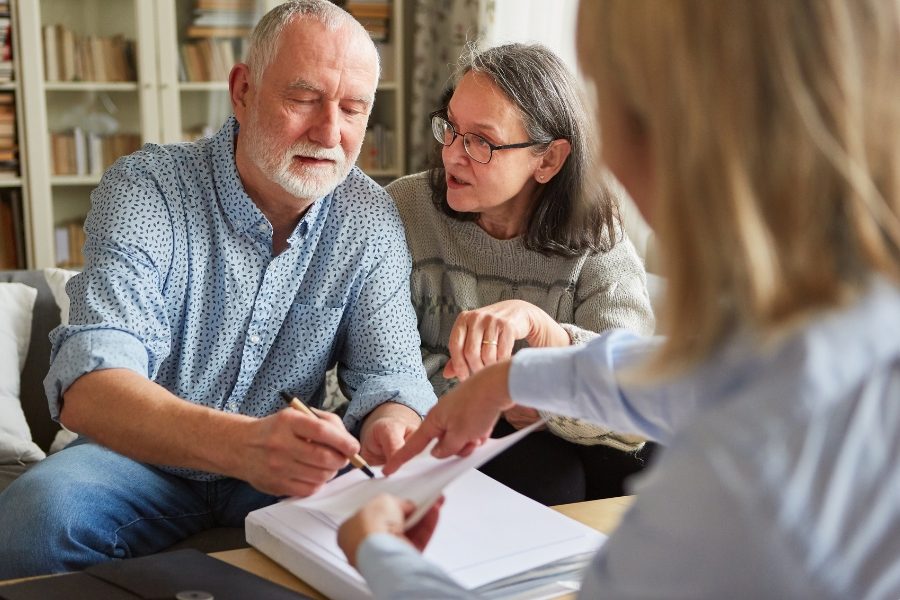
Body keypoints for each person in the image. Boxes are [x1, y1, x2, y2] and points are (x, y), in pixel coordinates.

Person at [338, 0, 900, 597]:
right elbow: (687, 371)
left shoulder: (740, 474)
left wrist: (379, 555)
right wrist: (511, 380)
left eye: (615, 105)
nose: (606, 156)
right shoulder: (840, 323)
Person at [0, 0, 436, 578]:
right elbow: (91, 385)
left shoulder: (369, 217)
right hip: (137, 459)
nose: (330, 131)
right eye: (304, 99)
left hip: (287, 471)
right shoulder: (146, 188)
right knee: (32, 521)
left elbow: (392, 376)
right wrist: (244, 445)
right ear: (243, 90)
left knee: (402, 530)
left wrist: (390, 428)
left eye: (353, 109)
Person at [385, 43, 655, 505]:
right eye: (450, 128)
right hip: (450, 422)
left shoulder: (595, 229)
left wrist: (549, 353)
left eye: (481, 142)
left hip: (564, 426)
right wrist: (501, 391)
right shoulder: (403, 210)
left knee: (647, 465)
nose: (452, 155)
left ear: (547, 160)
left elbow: (636, 389)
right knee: (549, 478)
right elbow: (383, 362)